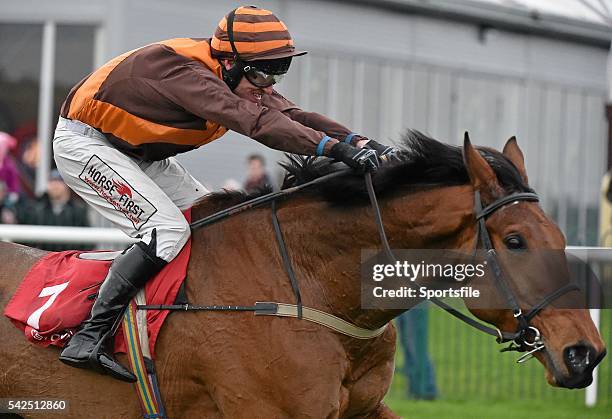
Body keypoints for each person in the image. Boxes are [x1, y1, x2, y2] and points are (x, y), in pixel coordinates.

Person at [53, 5, 397, 382]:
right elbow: (255, 121)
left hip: (138, 154)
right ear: (230, 62)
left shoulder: (237, 76)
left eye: (280, 71)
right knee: (166, 230)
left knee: (216, 222)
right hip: (85, 146)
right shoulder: (184, 72)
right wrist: (335, 151)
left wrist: (362, 142)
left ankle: (182, 325)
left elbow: (293, 116)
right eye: (264, 72)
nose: (269, 85)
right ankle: (88, 336)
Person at [17, 170, 89, 251]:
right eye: (52, 181)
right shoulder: (36, 209)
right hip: (44, 258)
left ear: (66, 185)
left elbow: (88, 242)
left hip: (69, 259)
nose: (55, 185)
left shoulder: (78, 210)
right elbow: (26, 239)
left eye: (58, 181)